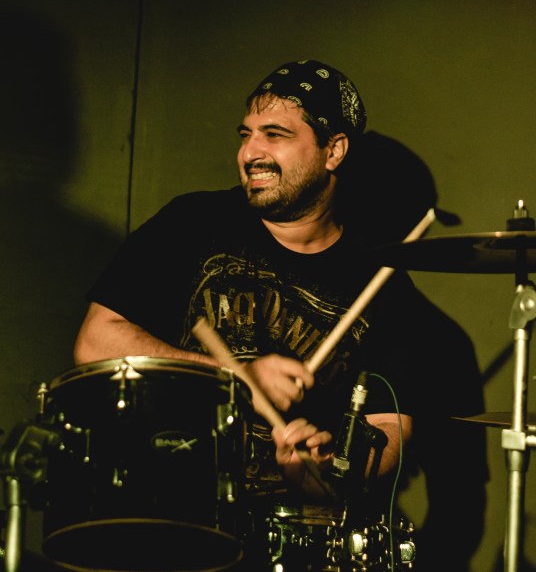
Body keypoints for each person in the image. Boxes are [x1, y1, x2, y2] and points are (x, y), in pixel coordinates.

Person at [70, 59, 440, 570]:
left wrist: (327, 473)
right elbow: (95, 341)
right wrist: (237, 377)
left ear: (334, 150)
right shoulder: (193, 223)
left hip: (295, 542)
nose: (250, 153)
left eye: (275, 134)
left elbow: (390, 429)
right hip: (170, 519)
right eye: (246, 134)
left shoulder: (385, 285)